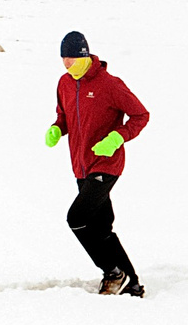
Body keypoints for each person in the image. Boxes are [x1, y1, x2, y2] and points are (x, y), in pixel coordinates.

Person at [46, 29, 151, 294]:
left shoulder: (109, 84)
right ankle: (133, 283)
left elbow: (140, 115)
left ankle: (114, 272)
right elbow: (64, 114)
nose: (67, 64)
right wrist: (58, 128)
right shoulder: (64, 83)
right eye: (63, 59)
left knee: (77, 218)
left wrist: (118, 137)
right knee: (101, 227)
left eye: (72, 58)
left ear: (84, 56)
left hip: (107, 163)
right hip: (80, 164)